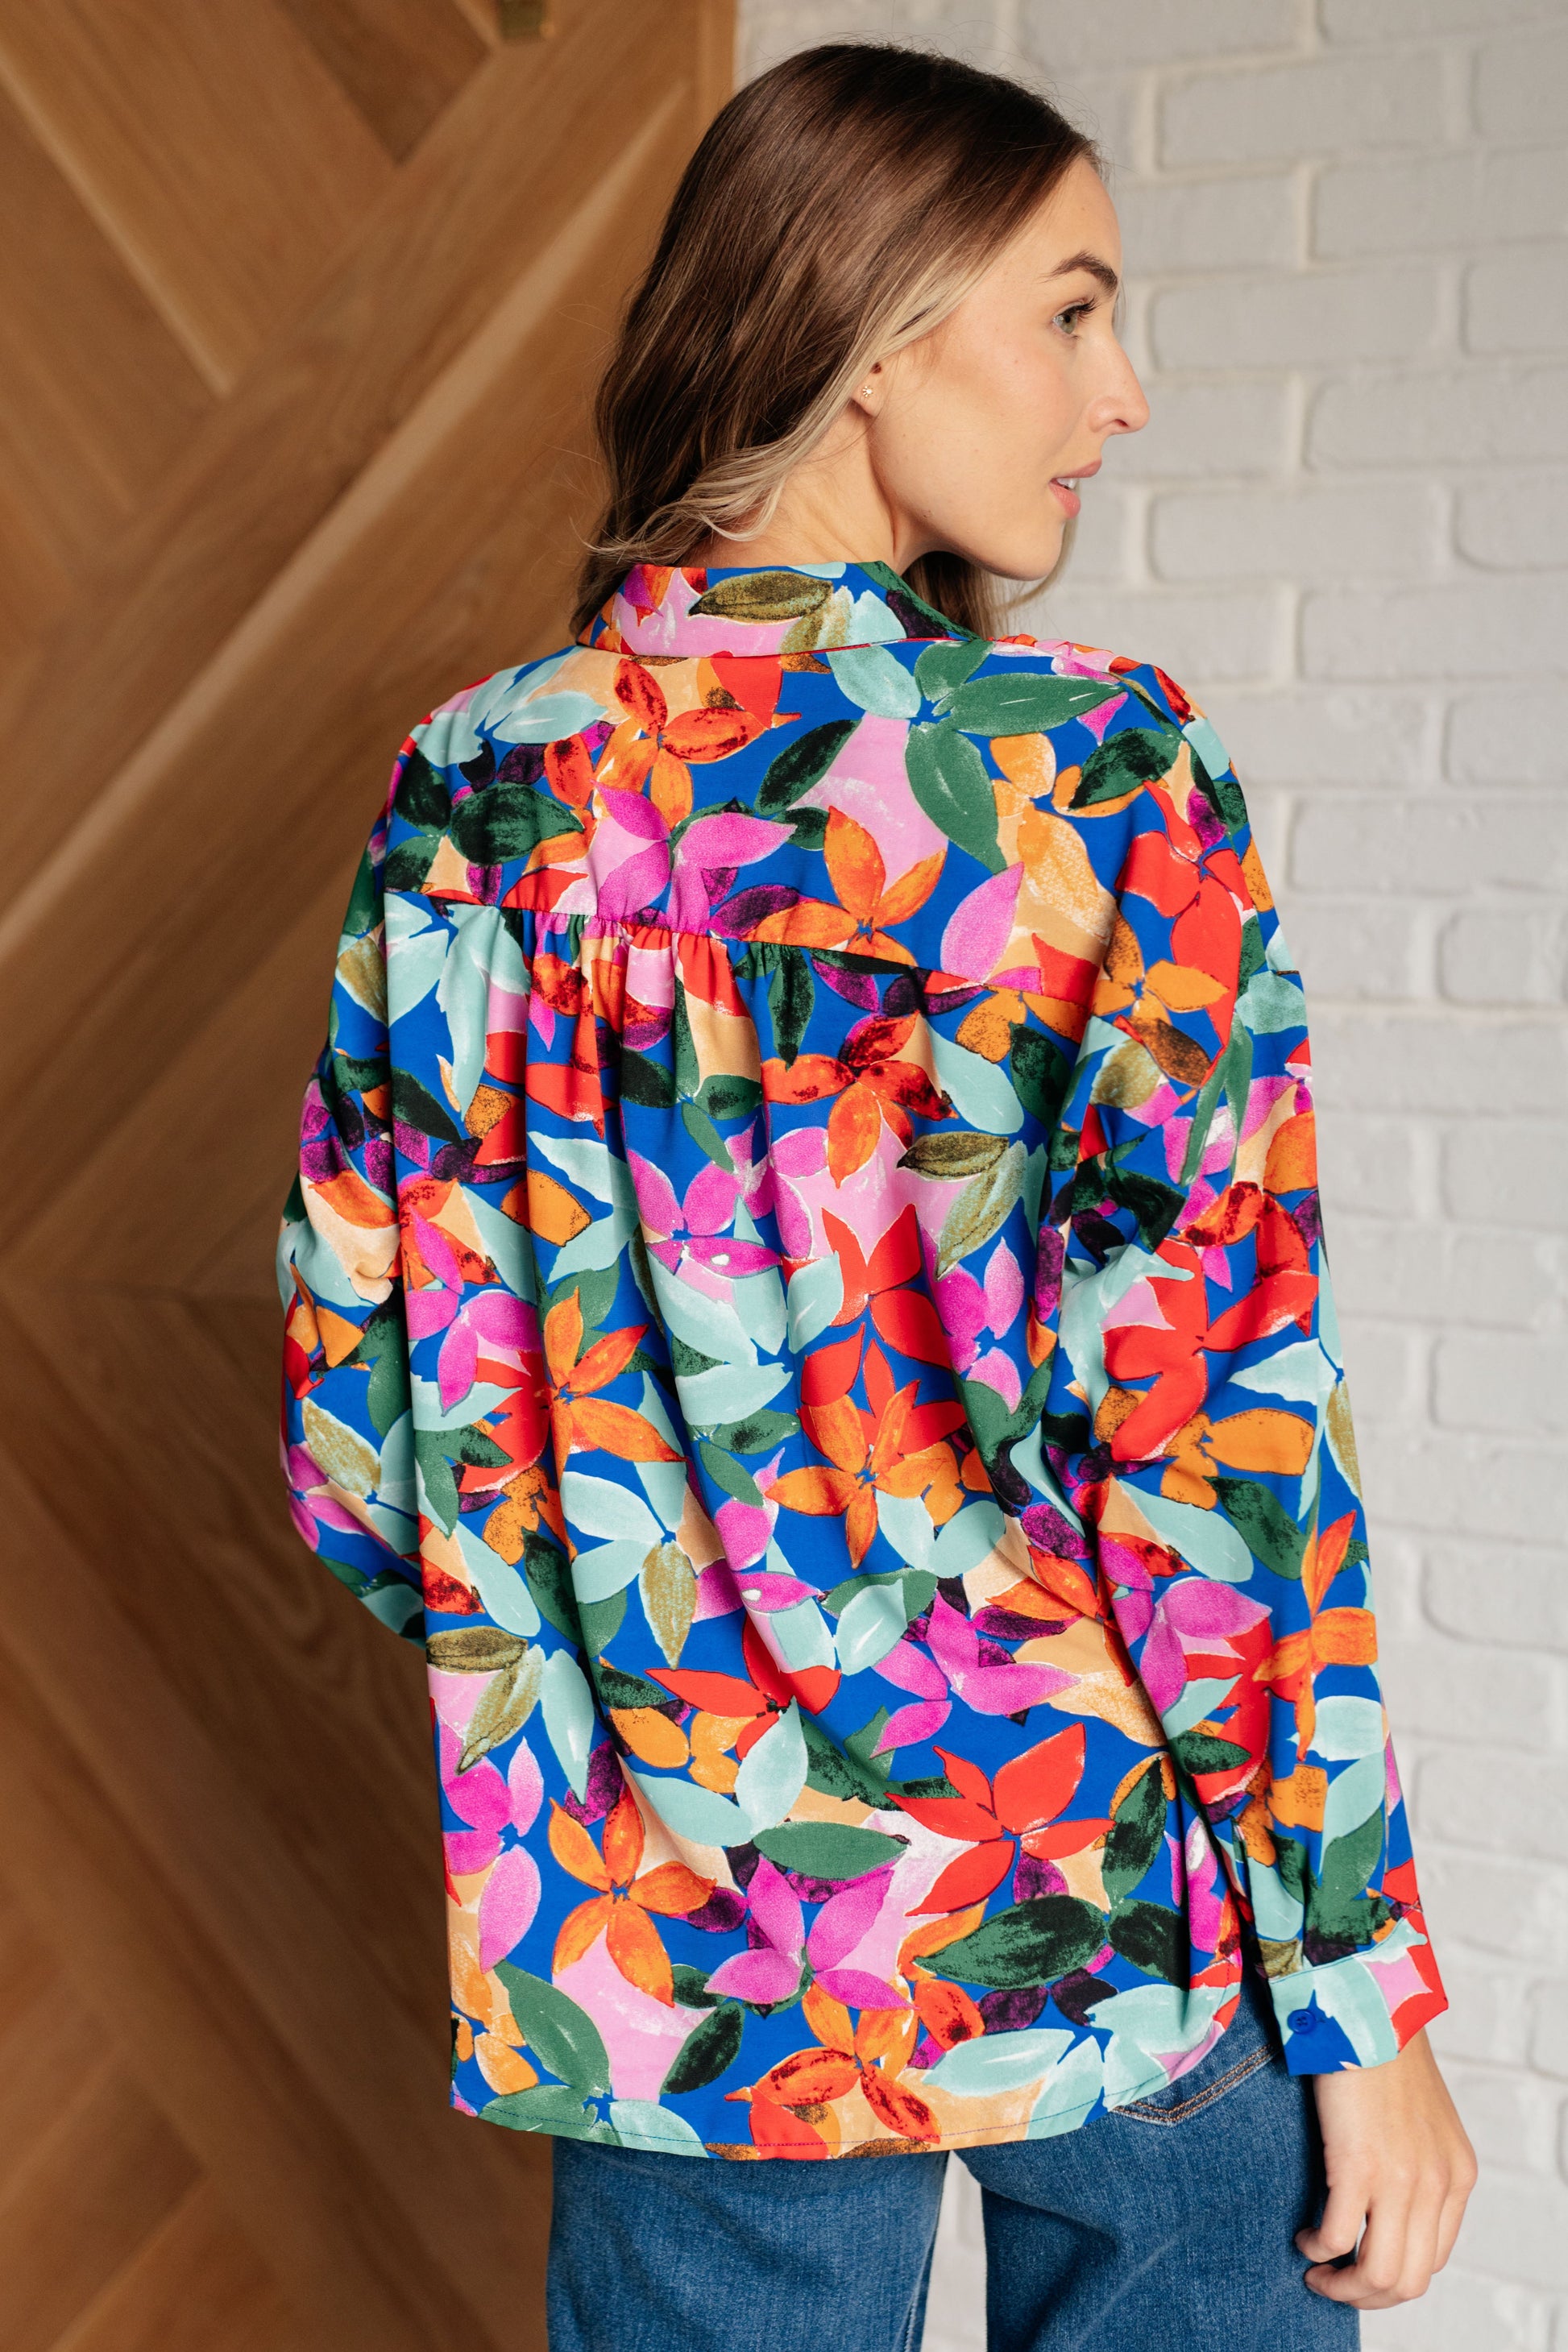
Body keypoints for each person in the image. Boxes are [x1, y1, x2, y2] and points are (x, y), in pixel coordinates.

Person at [277, 41, 1476, 2352]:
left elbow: (360, 1437)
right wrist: (1360, 1995)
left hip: (664, 1932)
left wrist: (633, 1692)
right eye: (1071, 309)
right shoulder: (1089, 776)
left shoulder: (470, 788)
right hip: (1100, 1893)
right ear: (869, 329)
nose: (1121, 392)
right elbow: (1218, 1427)